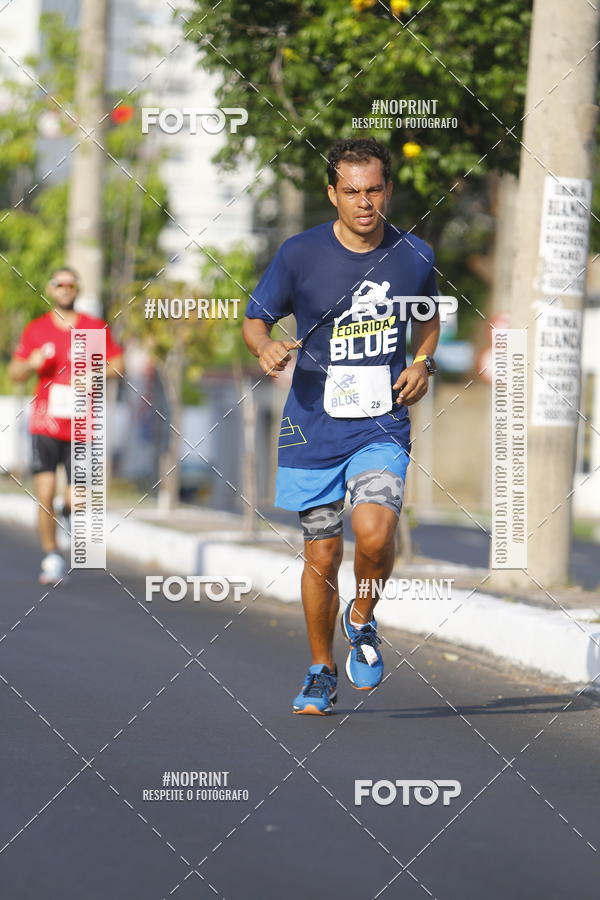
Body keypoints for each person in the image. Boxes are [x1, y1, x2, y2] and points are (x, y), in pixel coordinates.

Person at [243, 138, 440, 715]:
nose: (363, 202)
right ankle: (319, 670)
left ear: (388, 190)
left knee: (376, 535)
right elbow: (257, 319)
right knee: (322, 556)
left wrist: (422, 362)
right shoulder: (300, 254)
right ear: (332, 193)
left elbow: (426, 319)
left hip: (381, 423)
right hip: (311, 427)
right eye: (351, 191)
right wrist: (266, 348)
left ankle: (362, 616)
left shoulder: (414, 255)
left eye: (373, 190)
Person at [9, 267, 124, 585]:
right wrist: (29, 364)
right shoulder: (37, 329)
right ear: (51, 289)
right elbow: (15, 372)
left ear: (77, 289)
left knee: (77, 499)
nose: (64, 289)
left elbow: (118, 364)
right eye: (59, 284)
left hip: (82, 426)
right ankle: (51, 556)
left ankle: (68, 513)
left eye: (70, 284)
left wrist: (95, 374)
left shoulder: (92, 328)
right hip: (45, 424)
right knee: (43, 494)